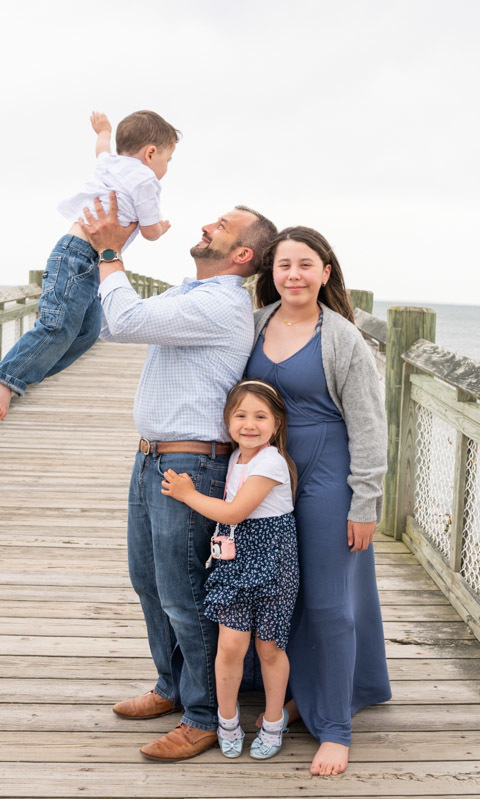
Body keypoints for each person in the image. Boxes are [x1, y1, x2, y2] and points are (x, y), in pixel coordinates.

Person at [78, 192, 278, 762]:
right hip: (154, 458)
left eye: (222, 225)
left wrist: (111, 248)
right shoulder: (191, 293)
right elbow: (115, 328)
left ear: (241, 255)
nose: (206, 225)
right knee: (149, 582)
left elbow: (127, 314)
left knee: (184, 592)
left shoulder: (221, 304)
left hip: (190, 462)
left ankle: (205, 715)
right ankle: (171, 686)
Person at [246, 226, 390, 776]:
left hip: (328, 475)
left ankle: (335, 728)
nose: (294, 276)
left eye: (306, 265)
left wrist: (365, 503)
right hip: (267, 474)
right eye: (284, 266)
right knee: (281, 590)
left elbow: (370, 427)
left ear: (326, 273)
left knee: (329, 601)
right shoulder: (254, 324)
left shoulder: (343, 338)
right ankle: (299, 693)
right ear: (271, 274)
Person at [0, 110, 179, 420]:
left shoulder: (110, 164)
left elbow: (101, 148)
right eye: (168, 161)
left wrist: (103, 130)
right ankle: (7, 375)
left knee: (87, 333)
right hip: (79, 256)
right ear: (151, 152)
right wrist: (162, 228)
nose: (166, 169)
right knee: (57, 325)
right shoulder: (145, 179)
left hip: (80, 257)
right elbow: (150, 231)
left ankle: (26, 373)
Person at [160, 379, 300, 761]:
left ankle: (274, 721)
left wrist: (189, 495)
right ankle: (226, 720)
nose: (249, 424)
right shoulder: (235, 458)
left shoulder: (271, 461)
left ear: (277, 423)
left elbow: (237, 512)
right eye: (240, 415)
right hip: (234, 562)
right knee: (231, 646)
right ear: (226, 421)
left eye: (260, 416)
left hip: (272, 562)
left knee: (269, 647)